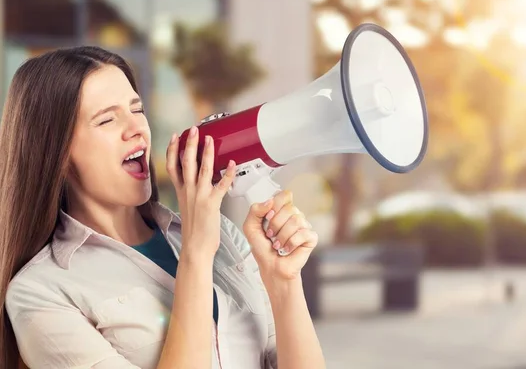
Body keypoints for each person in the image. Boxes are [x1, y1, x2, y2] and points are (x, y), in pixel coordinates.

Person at [0, 46, 326, 369]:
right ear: (57, 151)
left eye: (137, 109)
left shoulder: (224, 236)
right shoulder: (40, 292)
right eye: (107, 120)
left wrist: (284, 281)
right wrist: (196, 255)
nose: (137, 129)